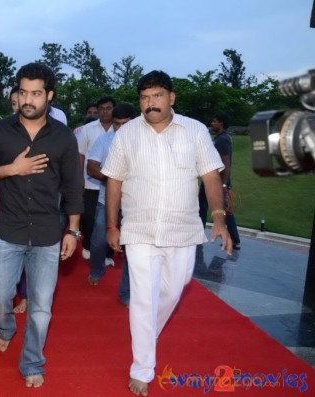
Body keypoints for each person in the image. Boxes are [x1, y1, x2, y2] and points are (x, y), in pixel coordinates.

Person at [102, 70, 233, 396]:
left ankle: (148, 333)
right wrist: (112, 226)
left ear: (171, 98)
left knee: (176, 288)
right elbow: (114, 182)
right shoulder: (127, 133)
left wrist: (218, 218)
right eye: (145, 98)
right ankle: (142, 368)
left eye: (157, 96)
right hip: (140, 228)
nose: (150, 104)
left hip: (183, 228)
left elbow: (211, 177)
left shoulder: (195, 131)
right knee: (143, 299)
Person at [0, 62, 83, 388]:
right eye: (23, 92)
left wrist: (73, 231)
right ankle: (5, 326)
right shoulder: (1, 131)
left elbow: (73, 186)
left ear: (49, 96)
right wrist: (11, 169)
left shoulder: (63, 137)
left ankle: (32, 361)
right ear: (16, 95)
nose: (29, 99)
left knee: (41, 309)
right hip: (8, 231)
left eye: (36, 93)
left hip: (48, 234)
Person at [86, 104, 135, 294]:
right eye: (117, 124)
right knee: (98, 241)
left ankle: (127, 292)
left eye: (125, 124)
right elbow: (91, 167)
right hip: (106, 200)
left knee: (133, 248)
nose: (120, 128)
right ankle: (97, 270)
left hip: (135, 204)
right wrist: (114, 180)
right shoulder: (104, 141)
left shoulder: (145, 141)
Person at [77, 96, 116, 261]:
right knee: (88, 217)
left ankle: (107, 252)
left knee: (110, 218)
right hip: (91, 182)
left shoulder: (121, 128)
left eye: (108, 108)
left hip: (114, 184)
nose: (105, 111)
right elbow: (80, 155)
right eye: (102, 109)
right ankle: (87, 244)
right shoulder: (87, 129)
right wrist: (80, 179)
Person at [198, 113, 241, 249]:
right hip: (210, 179)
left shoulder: (223, 140)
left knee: (222, 209)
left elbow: (226, 162)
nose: (212, 123)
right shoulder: (220, 138)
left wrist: (223, 184)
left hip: (216, 181)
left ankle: (234, 239)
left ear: (221, 123)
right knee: (203, 206)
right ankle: (199, 233)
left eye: (214, 121)